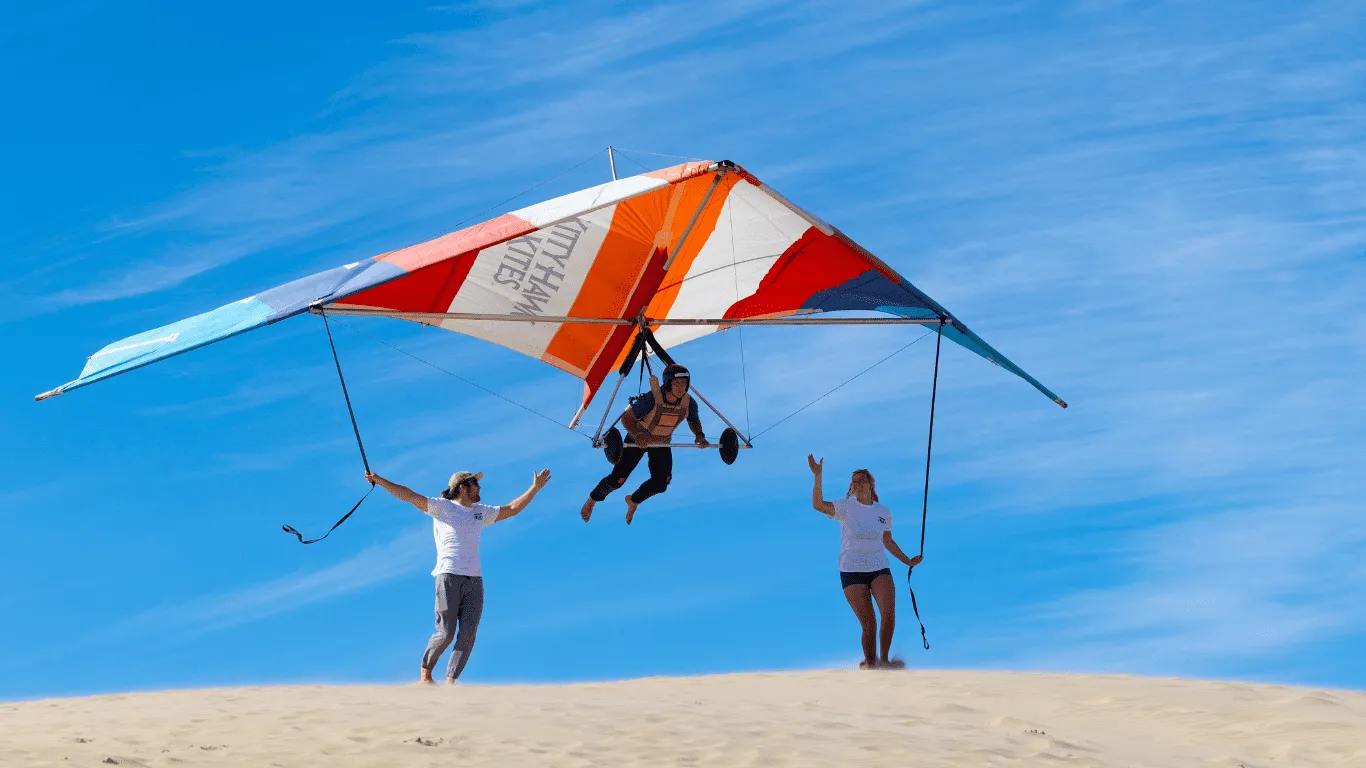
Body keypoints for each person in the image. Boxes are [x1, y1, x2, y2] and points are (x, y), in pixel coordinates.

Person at [366, 466, 551, 684]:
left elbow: (511, 508)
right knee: (445, 633)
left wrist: (535, 488)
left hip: (475, 580)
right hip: (449, 575)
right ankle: (426, 673)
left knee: (468, 634)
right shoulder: (442, 507)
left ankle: (451, 683)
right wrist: (379, 480)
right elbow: (408, 495)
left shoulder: (480, 512)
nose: (480, 486)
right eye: (475, 483)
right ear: (463, 487)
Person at [807, 454, 922, 669]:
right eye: (853, 481)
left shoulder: (883, 512)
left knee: (888, 615)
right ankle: (870, 666)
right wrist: (818, 476)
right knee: (869, 623)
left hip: (879, 567)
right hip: (851, 571)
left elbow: (888, 541)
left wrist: (908, 561)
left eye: (861, 480)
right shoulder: (845, 507)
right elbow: (818, 505)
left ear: (871, 484)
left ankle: (884, 661)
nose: (856, 483)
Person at [581, 363, 708, 525]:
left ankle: (633, 500)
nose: (680, 388)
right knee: (618, 479)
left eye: (683, 384)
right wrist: (638, 434)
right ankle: (593, 499)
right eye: (677, 384)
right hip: (638, 437)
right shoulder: (652, 398)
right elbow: (626, 418)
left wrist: (699, 435)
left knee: (662, 482)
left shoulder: (689, 403)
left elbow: (693, 419)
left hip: (661, 442)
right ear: (668, 383)